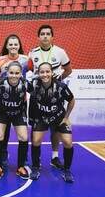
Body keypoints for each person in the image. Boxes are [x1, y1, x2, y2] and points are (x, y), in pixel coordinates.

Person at [28, 24, 72, 169]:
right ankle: (36, 161)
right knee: (36, 130)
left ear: (52, 37)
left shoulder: (60, 52)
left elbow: (68, 69)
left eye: (48, 34)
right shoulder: (32, 53)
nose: (45, 36)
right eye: (42, 34)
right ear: (38, 37)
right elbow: (28, 71)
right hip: (38, 96)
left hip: (55, 95)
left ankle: (54, 157)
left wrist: (58, 80)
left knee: (56, 128)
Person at [29, 62, 75, 183]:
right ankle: (35, 166)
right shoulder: (34, 85)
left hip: (59, 117)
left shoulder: (61, 87)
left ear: (52, 72)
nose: (45, 74)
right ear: (38, 73)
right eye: (42, 72)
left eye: (47, 71)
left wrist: (66, 117)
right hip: (42, 117)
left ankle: (67, 170)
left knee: (68, 142)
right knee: (35, 140)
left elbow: (71, 100)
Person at [0, 34, 29, 168]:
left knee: (23, 135)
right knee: (2, 133)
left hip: (20, 102)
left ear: (19, 45)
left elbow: (39, 72)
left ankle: (22, 162)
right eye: (11, 44)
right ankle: (1, 157)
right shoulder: (0, 60)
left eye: (16, 44)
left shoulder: (26, 60)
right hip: (4, 102)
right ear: (7, 46)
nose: (13, 46)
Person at [0, 61, 29, 180]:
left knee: (24, 137)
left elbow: (39, 92)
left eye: (17, 73)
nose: (13, 75)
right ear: (7, 73)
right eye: (11, 73)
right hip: (2, 112)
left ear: (21, 74)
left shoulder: (26, 84)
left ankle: (21, 167)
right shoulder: (0, 83)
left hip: (18, 113)